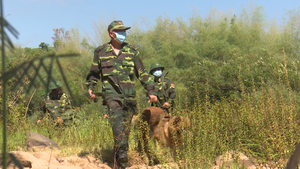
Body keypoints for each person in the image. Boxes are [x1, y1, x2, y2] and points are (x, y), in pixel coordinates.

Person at [86, 20, 158, 169]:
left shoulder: (132, 51)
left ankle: (116, 161)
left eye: (124, 31)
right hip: (112, 96)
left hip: (129, 97)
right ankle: (123, 161)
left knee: (124, 131)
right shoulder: (100, 52)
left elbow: (142, 73)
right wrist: (91, 87)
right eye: (119, 31)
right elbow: (94, 73)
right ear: (111, 34)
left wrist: (151, 91)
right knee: (117, 127)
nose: (123, 34)